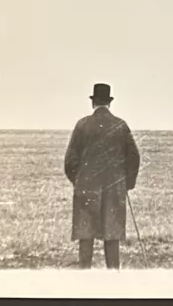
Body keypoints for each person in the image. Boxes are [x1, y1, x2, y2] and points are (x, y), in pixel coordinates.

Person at [64, 83, 140, 269]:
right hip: (114, 188)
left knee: (86, 237)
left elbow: (69, 161)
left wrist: (79, 181)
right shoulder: (121, 125)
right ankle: (113, 282)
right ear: (109, 102)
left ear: (93, 102)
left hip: (86, 189)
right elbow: (134, 157)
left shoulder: (82, 125)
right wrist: (127, 183)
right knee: (112, 236)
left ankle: (84, 282)